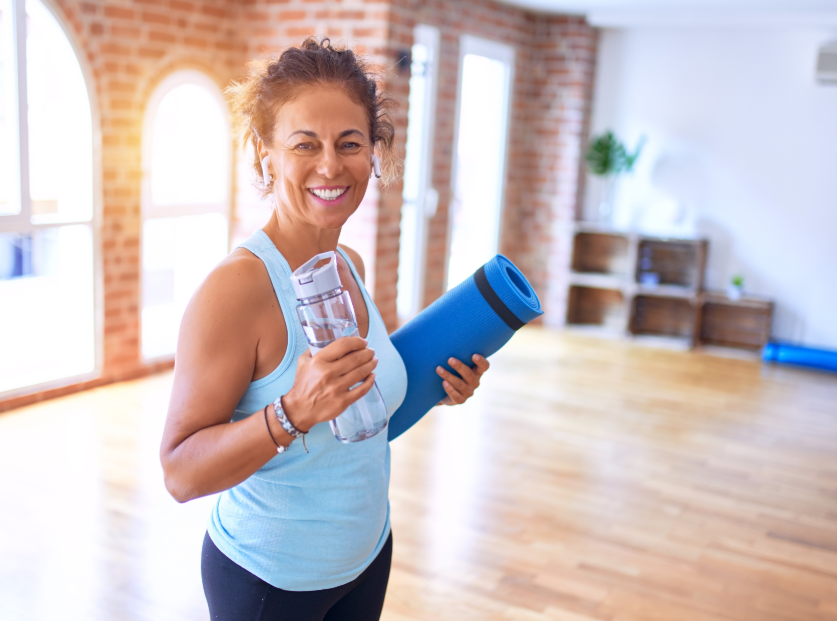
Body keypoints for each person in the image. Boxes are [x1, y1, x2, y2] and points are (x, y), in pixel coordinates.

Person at [159, 38, 491, 621]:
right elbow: (180, 473)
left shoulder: (349, 268)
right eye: (304, 145)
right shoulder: (235, 292)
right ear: (267, 156)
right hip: (271, 581)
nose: (331, 165)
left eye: (350, 144)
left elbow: (360, 420)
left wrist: (441, 382)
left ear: (373, 156)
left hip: (366, 556)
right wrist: (290, 412)